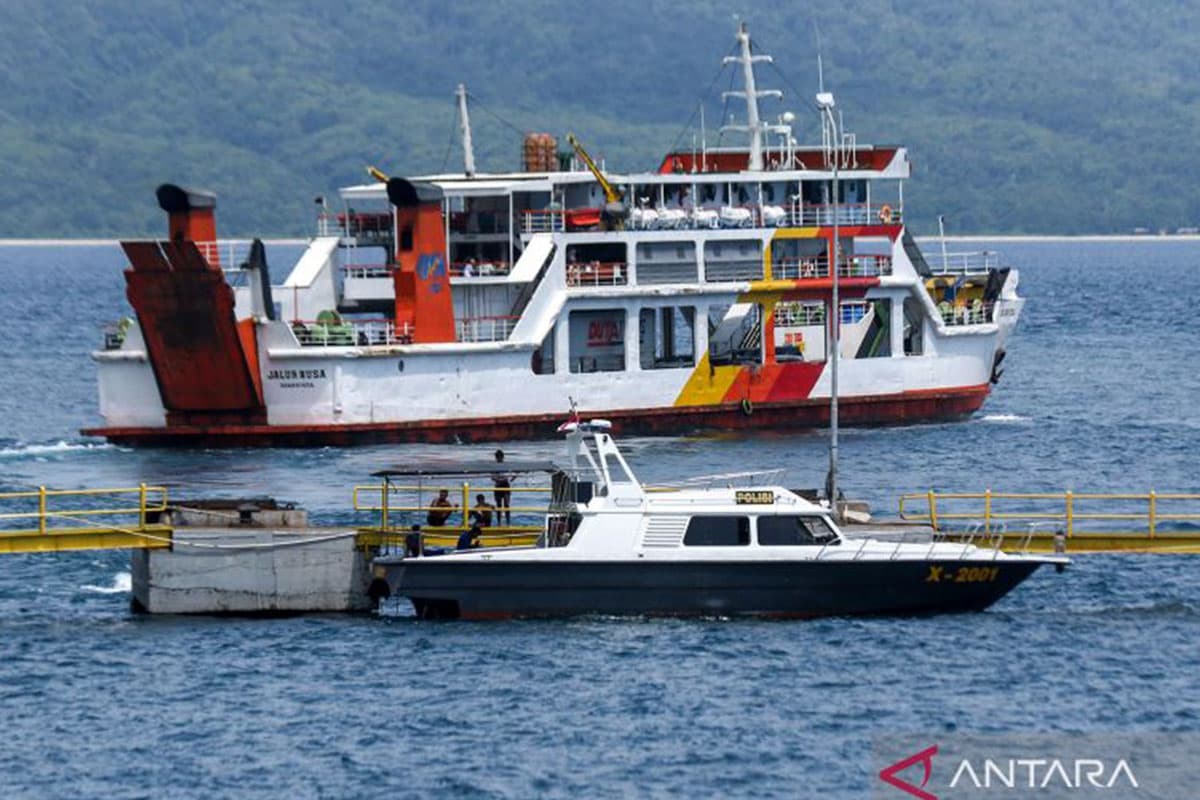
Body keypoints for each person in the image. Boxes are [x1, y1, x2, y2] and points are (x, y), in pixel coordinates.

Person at [492, 449, 513, 526]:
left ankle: (508, 522)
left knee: (507, 504)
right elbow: (492, 477)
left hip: (505, 484)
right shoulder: (494, 466)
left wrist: (510, 478)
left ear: (503, 457)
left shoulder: (506, 465)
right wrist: (498, 479)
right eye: (497, 457)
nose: (499, 459)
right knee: (499, 505)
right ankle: (499, 522)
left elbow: (512, 474)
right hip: (498, 485)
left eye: (500, 457)